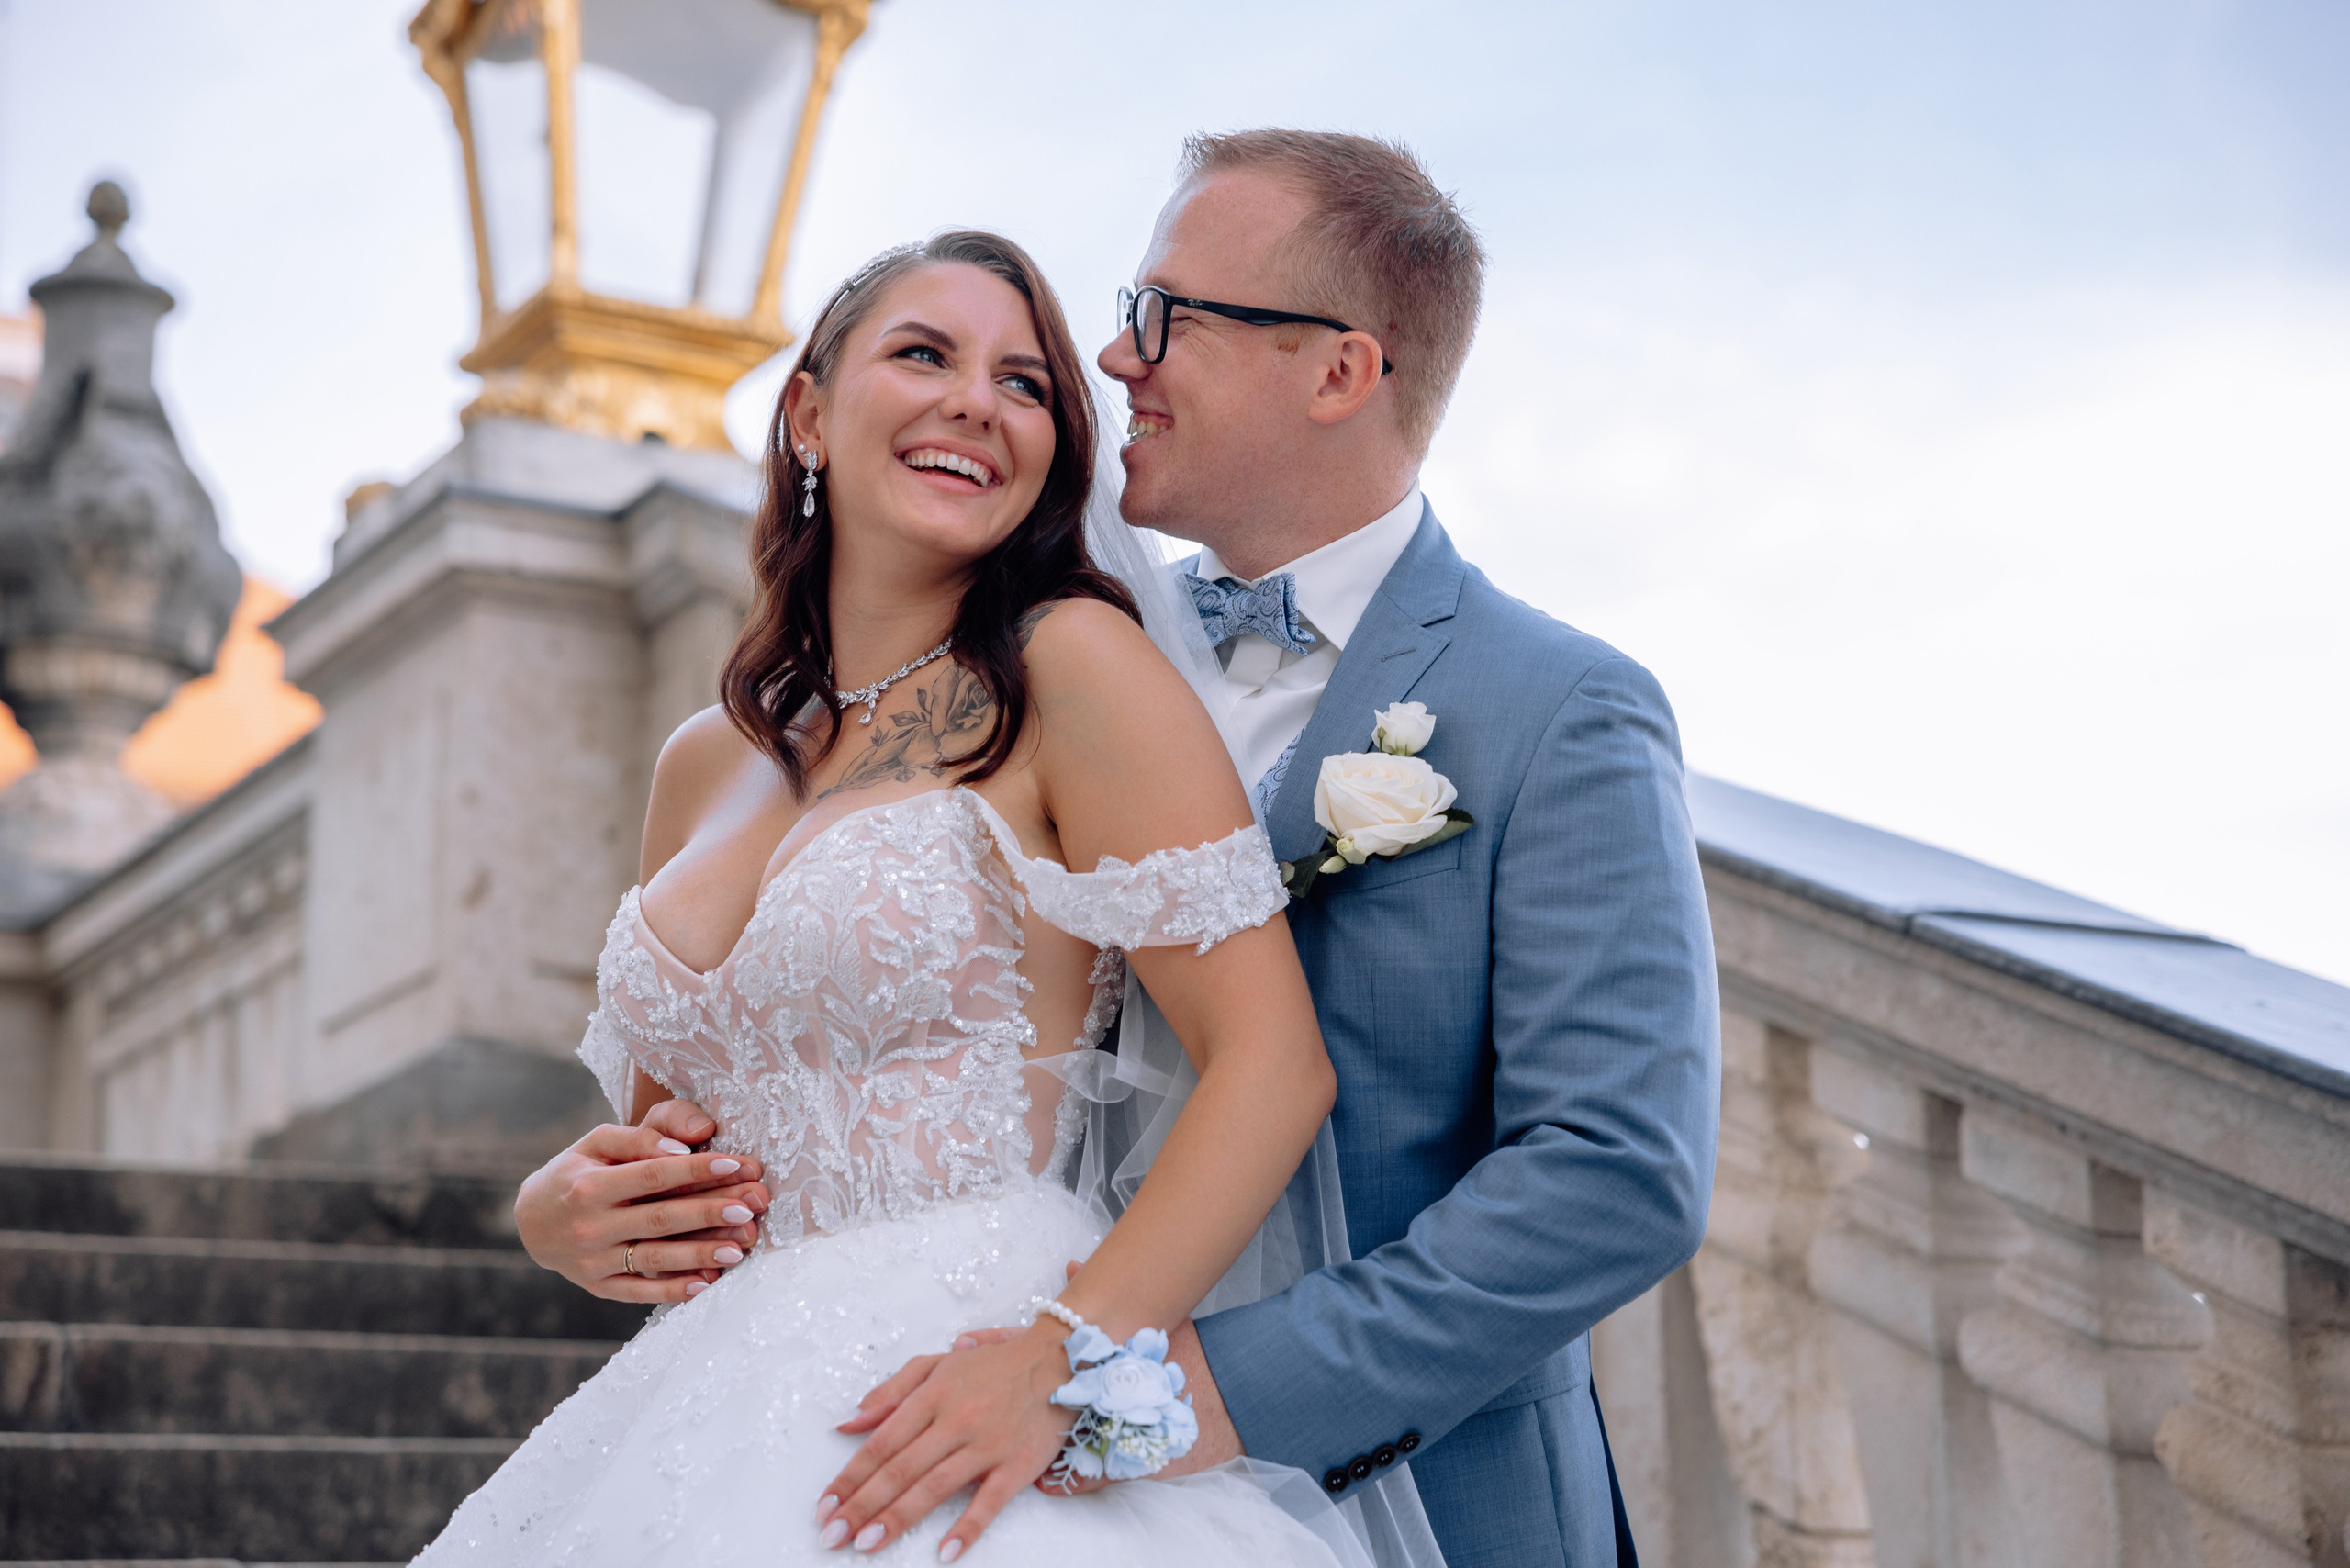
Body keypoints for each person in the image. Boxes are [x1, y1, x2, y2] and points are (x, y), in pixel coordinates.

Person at [821, 132, 1722, 1566]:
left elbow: (1618, 1171)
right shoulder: (1050, 656)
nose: (1118, 363)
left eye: (1166, 315)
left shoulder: (1558, 708)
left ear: (1339, 372)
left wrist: (1161, 1393)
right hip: (991, 1467)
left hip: (1404, 1503)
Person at [415, 230, 1379, 1567]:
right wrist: (563, 1211)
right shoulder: (704, 760)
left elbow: (1271, 1067)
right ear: (808, 412)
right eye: (923, 354)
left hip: (961, 1375)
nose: (976, 401)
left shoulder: (1072, 669)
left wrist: (1060, 1358)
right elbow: (680, 1156)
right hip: (708, 1402)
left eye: (1026, 383)